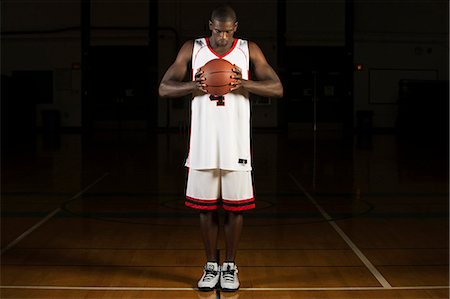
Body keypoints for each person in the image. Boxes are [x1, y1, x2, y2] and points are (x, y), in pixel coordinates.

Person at [159, 4, 283, 292]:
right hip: (202, 144)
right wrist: (193, 85)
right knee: (205, 210)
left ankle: (229, 265)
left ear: (235, 28)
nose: (223, 37)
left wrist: (245, 84)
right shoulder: (192, 48)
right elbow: (164, 88)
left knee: (235, 210)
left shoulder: (248, 49)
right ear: (210, 26)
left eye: (228, 31)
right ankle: (210, 265)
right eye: (218, 31)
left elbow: (277, 88)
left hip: (235, 144)